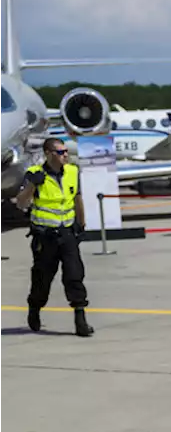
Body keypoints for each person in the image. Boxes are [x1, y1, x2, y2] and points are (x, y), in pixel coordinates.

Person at [15, 137, 93, 337]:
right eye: (61, 152)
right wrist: (32, 186)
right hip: (45, 237)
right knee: (42, 279)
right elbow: (21, 203)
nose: (65, 155)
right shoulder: (34, 174)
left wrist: (81, 225)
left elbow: (77, 198)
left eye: (66, 151)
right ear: (49, 154)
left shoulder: (72, 172)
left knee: (74, 275)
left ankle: (80, 319)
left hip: (67, 234)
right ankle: (35, 308)